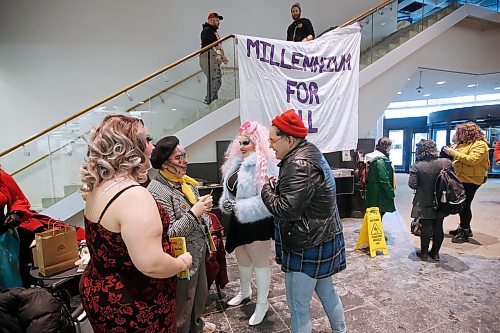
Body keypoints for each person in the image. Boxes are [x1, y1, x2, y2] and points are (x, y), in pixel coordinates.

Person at [79, 114, 192, 333]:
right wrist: (182, 263)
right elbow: (152, 264)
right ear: (131, 148)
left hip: (100, 290)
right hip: (134, 304)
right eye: (148, 140)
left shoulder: (98, 187)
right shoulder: (134, 196)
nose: (153, 146)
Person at [261, 110, 347, 333]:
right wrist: (277, 187)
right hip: (323, 235)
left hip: (307, 242)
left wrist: (265, 189)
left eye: (272, 140)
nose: (270, 146)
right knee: (327, 292)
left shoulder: (297, 163)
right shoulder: (309, 152)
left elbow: (286, 210)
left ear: (289, 139)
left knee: (298, 306)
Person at [148, 136, 216, 333]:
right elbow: (170, 233)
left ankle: (197, 326)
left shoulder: (186, 182)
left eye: (185, 156)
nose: (185, 161)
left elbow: (199, 214)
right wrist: (196, 212)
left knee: (199, 296)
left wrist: (205, 215)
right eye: (179, 158)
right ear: (164, 164)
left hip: (199, 251)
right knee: (183, 305)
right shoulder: (157, 190)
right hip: (181, 258)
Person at [219, 120, 278, 326]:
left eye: (247, 142)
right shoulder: (236, 163)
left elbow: (269, 197)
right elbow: (230, 189)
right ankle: (245, 292)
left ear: (257, 143)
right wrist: (227, 203)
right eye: (241, 142)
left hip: (257, 220)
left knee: (260, 262)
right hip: (238, 219)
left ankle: (262, 304)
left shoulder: (265, 164)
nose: (242, 146)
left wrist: (240, 206)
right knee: (241, 257)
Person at [443, 122, 490, 243]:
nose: (459, 136)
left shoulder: (480, 145)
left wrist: (453, 153)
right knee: (462, 204)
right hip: (461, 178)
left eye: (461, 133)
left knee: (464, 205)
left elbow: (472, 160)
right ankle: (465, 228)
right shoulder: (461, 144)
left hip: (472, 180)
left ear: (468, 133)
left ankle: (464, 230)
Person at [408, 140, 453, 261]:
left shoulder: (417, 166)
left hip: (424, 200)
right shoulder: (446, 162)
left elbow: (412, 184)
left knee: (426, 226)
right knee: (439, 225)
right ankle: (435, 253)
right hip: (442, 199)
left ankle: (423, 253)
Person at [364, 137, 396, 219]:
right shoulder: (380, 160)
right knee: (377, 217)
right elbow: (384, 179)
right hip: (379, 195)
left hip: (373, 192)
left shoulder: (373, 158)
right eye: (389, 146)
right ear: (387, 147)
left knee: (374, 217)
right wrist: (390, 192)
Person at [200, 12, 228, 105]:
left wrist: (222, 57)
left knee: (217, 78)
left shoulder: (213, 32)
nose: (218, 22)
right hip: (208, 57)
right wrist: (220, 55)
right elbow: (210, 46)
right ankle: (210, 99)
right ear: (211, 20)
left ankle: (212, 98)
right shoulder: (207, 31)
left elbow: (216, 47)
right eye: (217, 20)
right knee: (214, 78)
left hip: (212, 58)